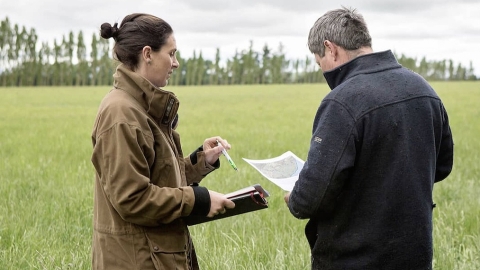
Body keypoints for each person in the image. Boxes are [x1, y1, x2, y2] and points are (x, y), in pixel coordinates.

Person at [284, 7, 454, 270]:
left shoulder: (341, 102)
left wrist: (295, 197)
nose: (323, 71)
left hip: (353, 259)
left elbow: (309, 199)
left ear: (331, 48)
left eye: (320, 63)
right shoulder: (424, 90)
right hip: (415, 255)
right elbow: (442, 166)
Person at [91, 13, 235, 270]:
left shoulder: (141, 107)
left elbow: (159, 177)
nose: (176, 63)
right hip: (138, 260)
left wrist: (201, 159)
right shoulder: (122, 113)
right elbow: (132, 198)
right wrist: (198, 200)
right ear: (147, 54)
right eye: (171, 54)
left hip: (156, 255)